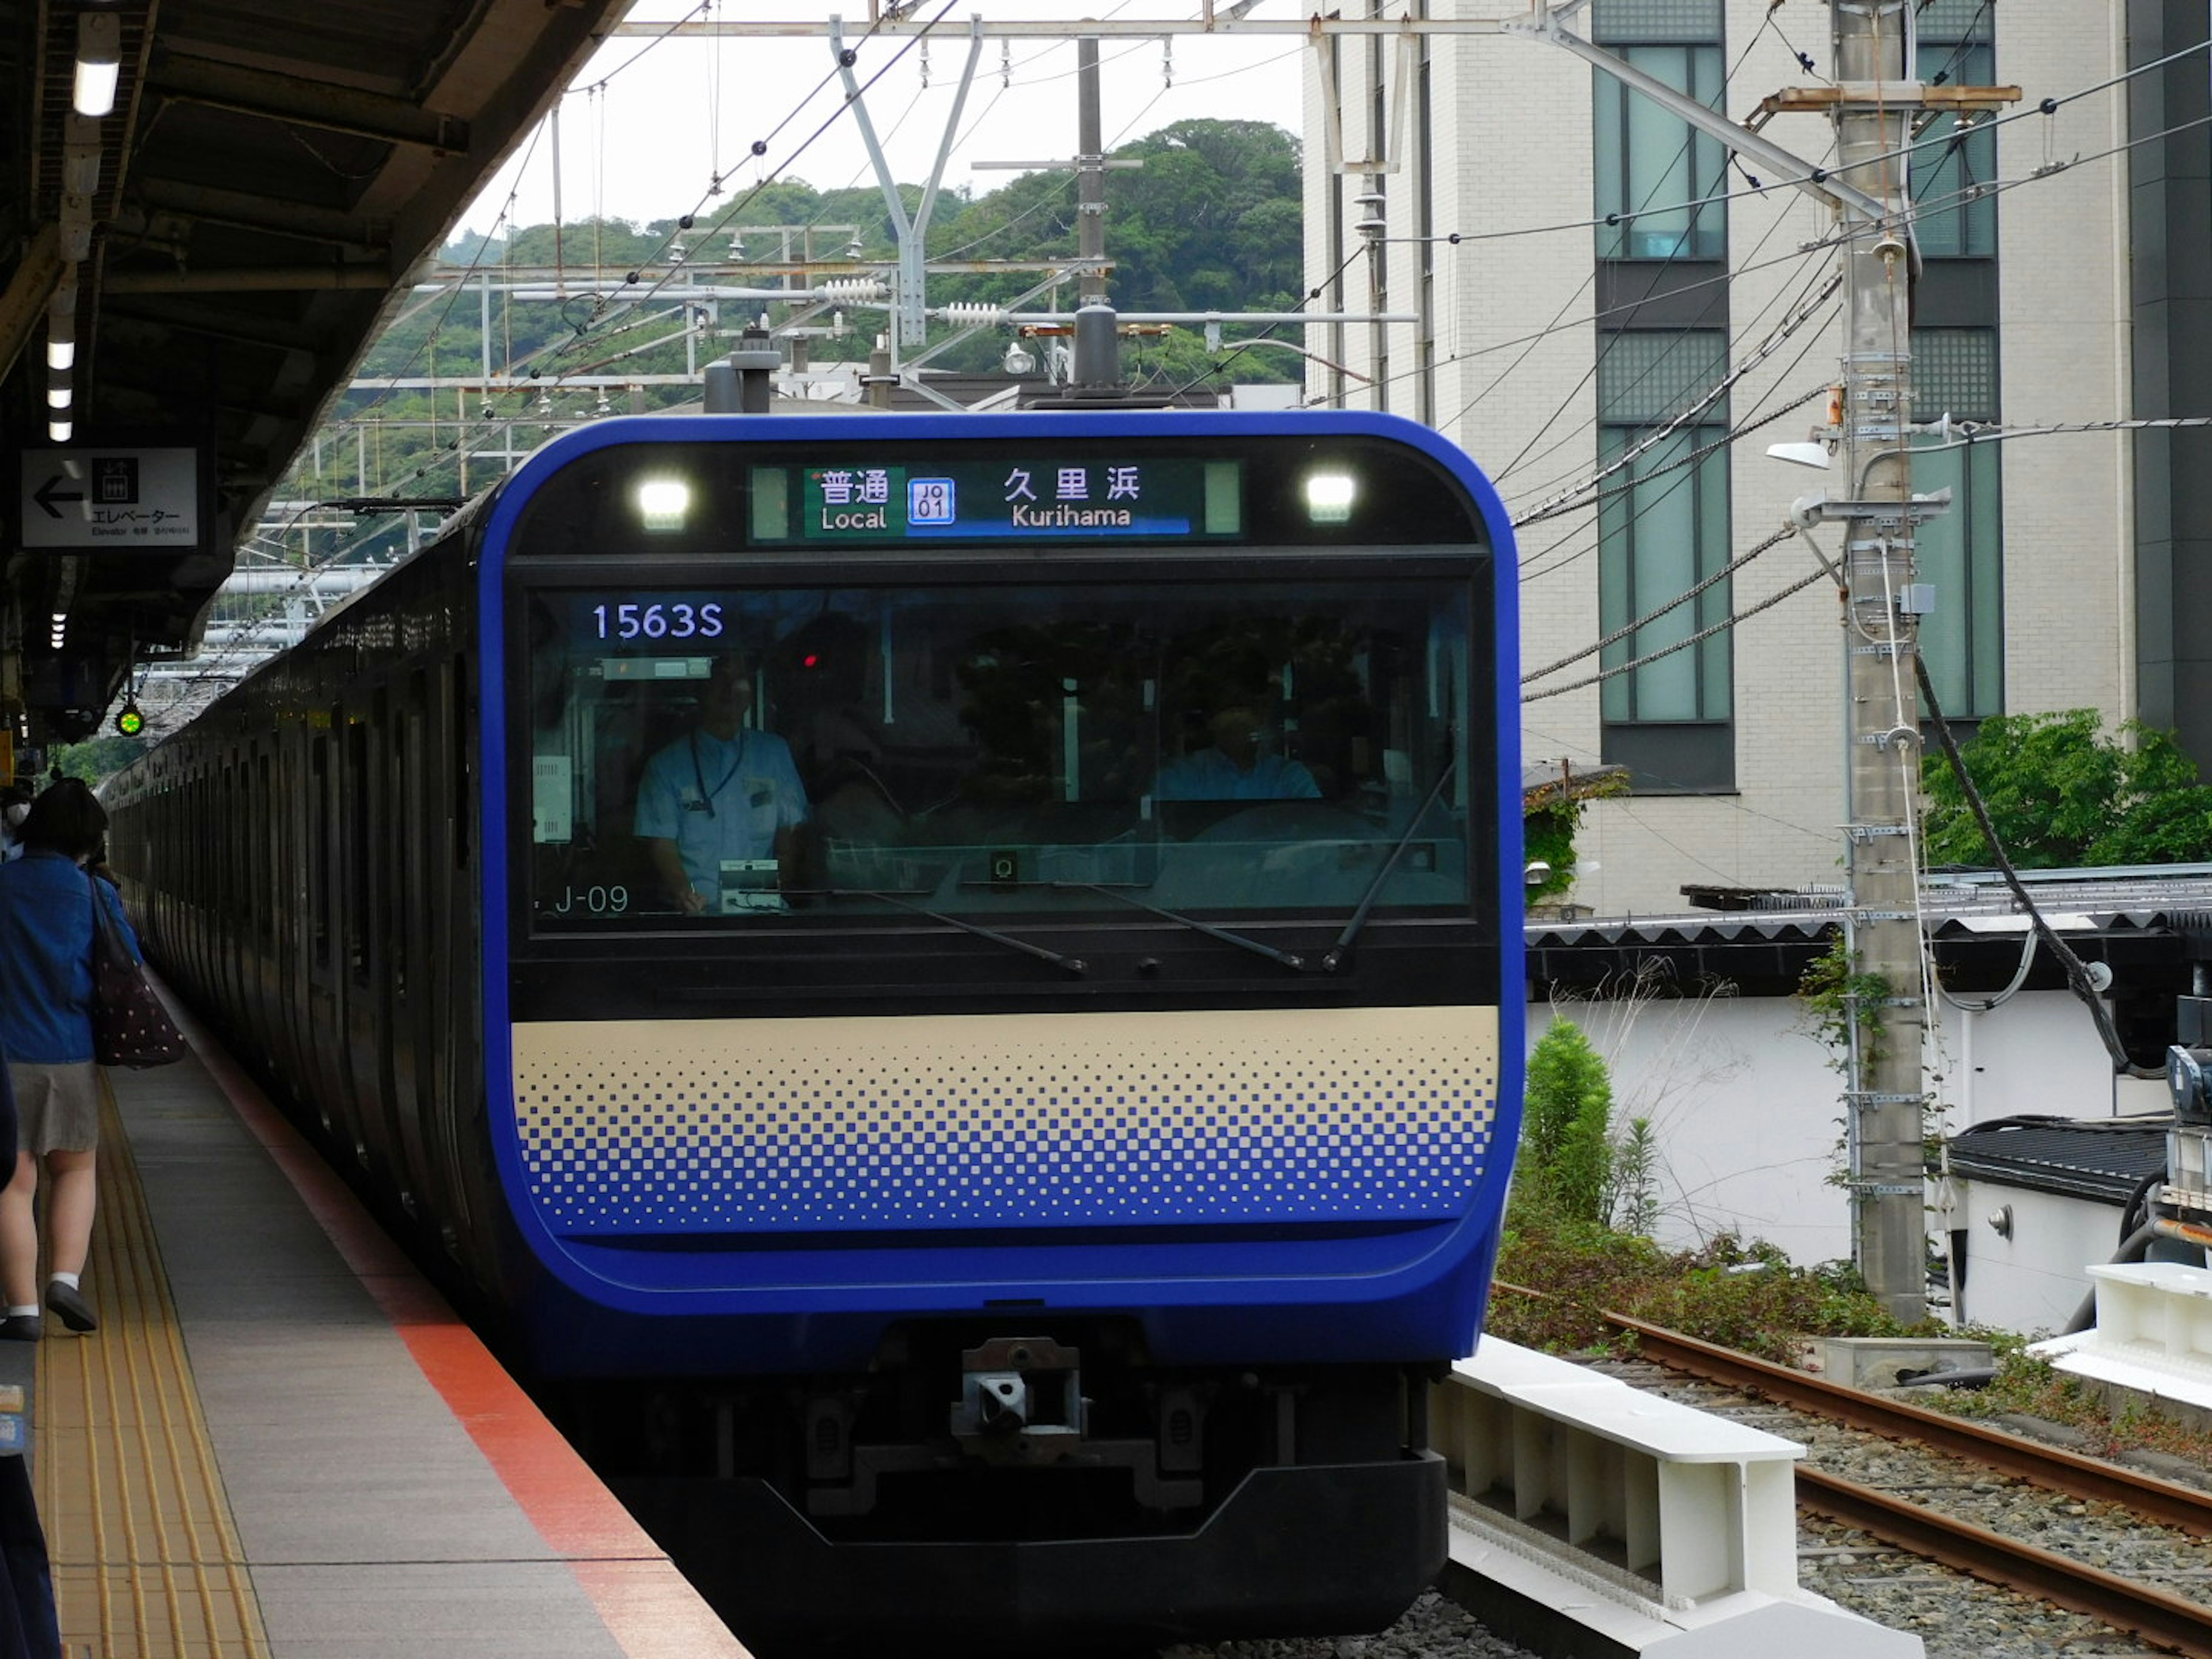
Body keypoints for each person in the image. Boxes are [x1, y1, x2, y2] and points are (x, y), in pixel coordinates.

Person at [0, 778, 134, 1342]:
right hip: (72, 1052)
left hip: (4, 1058)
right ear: (89, 840)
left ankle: (22, 1310)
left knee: (13, 1183)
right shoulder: (94, 893)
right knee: (76, 1170)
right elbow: (128, 960)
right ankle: (64, 1279)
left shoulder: (2, 883)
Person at [634, 653, 810, 914]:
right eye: (719, 679)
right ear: (700, 689)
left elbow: (790, 835)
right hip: (695, 918)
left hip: (763, 915)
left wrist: (772, 892)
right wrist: (686, 894)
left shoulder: (773, 753)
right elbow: (662, 844)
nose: (729, 689)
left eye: (738, 679)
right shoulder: (666, 765)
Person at [1155, 701, 1321, 801]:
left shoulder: (1289, 774)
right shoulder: (1182, 773)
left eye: (1245, 708)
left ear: (1263, 722)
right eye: (1229, 708)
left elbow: (1314, 823)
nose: (1238, 715)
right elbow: (1162, 831)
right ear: (1211, 723)